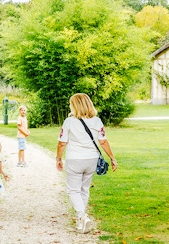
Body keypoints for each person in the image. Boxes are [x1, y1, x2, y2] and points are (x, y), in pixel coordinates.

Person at [56, 93, 118, 234]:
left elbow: (62, 143)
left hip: (75, 160)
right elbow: (103, 141)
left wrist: (58, 159)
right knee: (84, 189)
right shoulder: (97, 121)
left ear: (74, 105)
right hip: (92, 160)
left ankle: (82, 215)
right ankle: (80, 221)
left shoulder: (69, 121)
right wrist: (112, 158)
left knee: (73, 190)